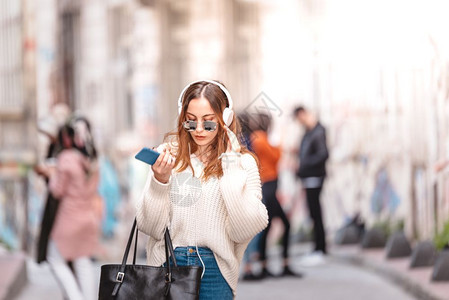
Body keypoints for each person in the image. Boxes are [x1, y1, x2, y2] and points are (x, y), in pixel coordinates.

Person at [135, 80, 268, 299]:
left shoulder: (243, 163)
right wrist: (160, 180)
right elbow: (149, 226)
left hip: (215, 271)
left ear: (225, 119)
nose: (198, 130)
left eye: (208, 123)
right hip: (168, 266)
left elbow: (245, 229)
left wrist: (230, 167)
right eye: (190, 121)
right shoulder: (169, 157)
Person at [45, 123, 102, 300]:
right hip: (87, 219)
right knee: (82, 262)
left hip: (68, 219)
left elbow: (57, 190)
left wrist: (50, 174)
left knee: (54, 259)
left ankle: (75, 297)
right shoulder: (89, 160)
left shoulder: (66, 158)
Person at [251, 113, 300, 278]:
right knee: (282, 223)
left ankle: (267, 265)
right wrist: (280, 147)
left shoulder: (259, 138)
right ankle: (280, 264)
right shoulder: (259, 138)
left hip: (270, 185)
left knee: (270, 225)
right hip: (268, 185)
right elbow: (276, 156)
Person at [294, 106, 329, 265]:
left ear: (303, 114)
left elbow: (323, 154)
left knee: (316, 213)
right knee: (313, 213)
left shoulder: (318, 131)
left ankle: (320, 248)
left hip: (314, 177)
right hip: (308, 177)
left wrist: (305, 166)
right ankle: (318, 247)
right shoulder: (308, 132)